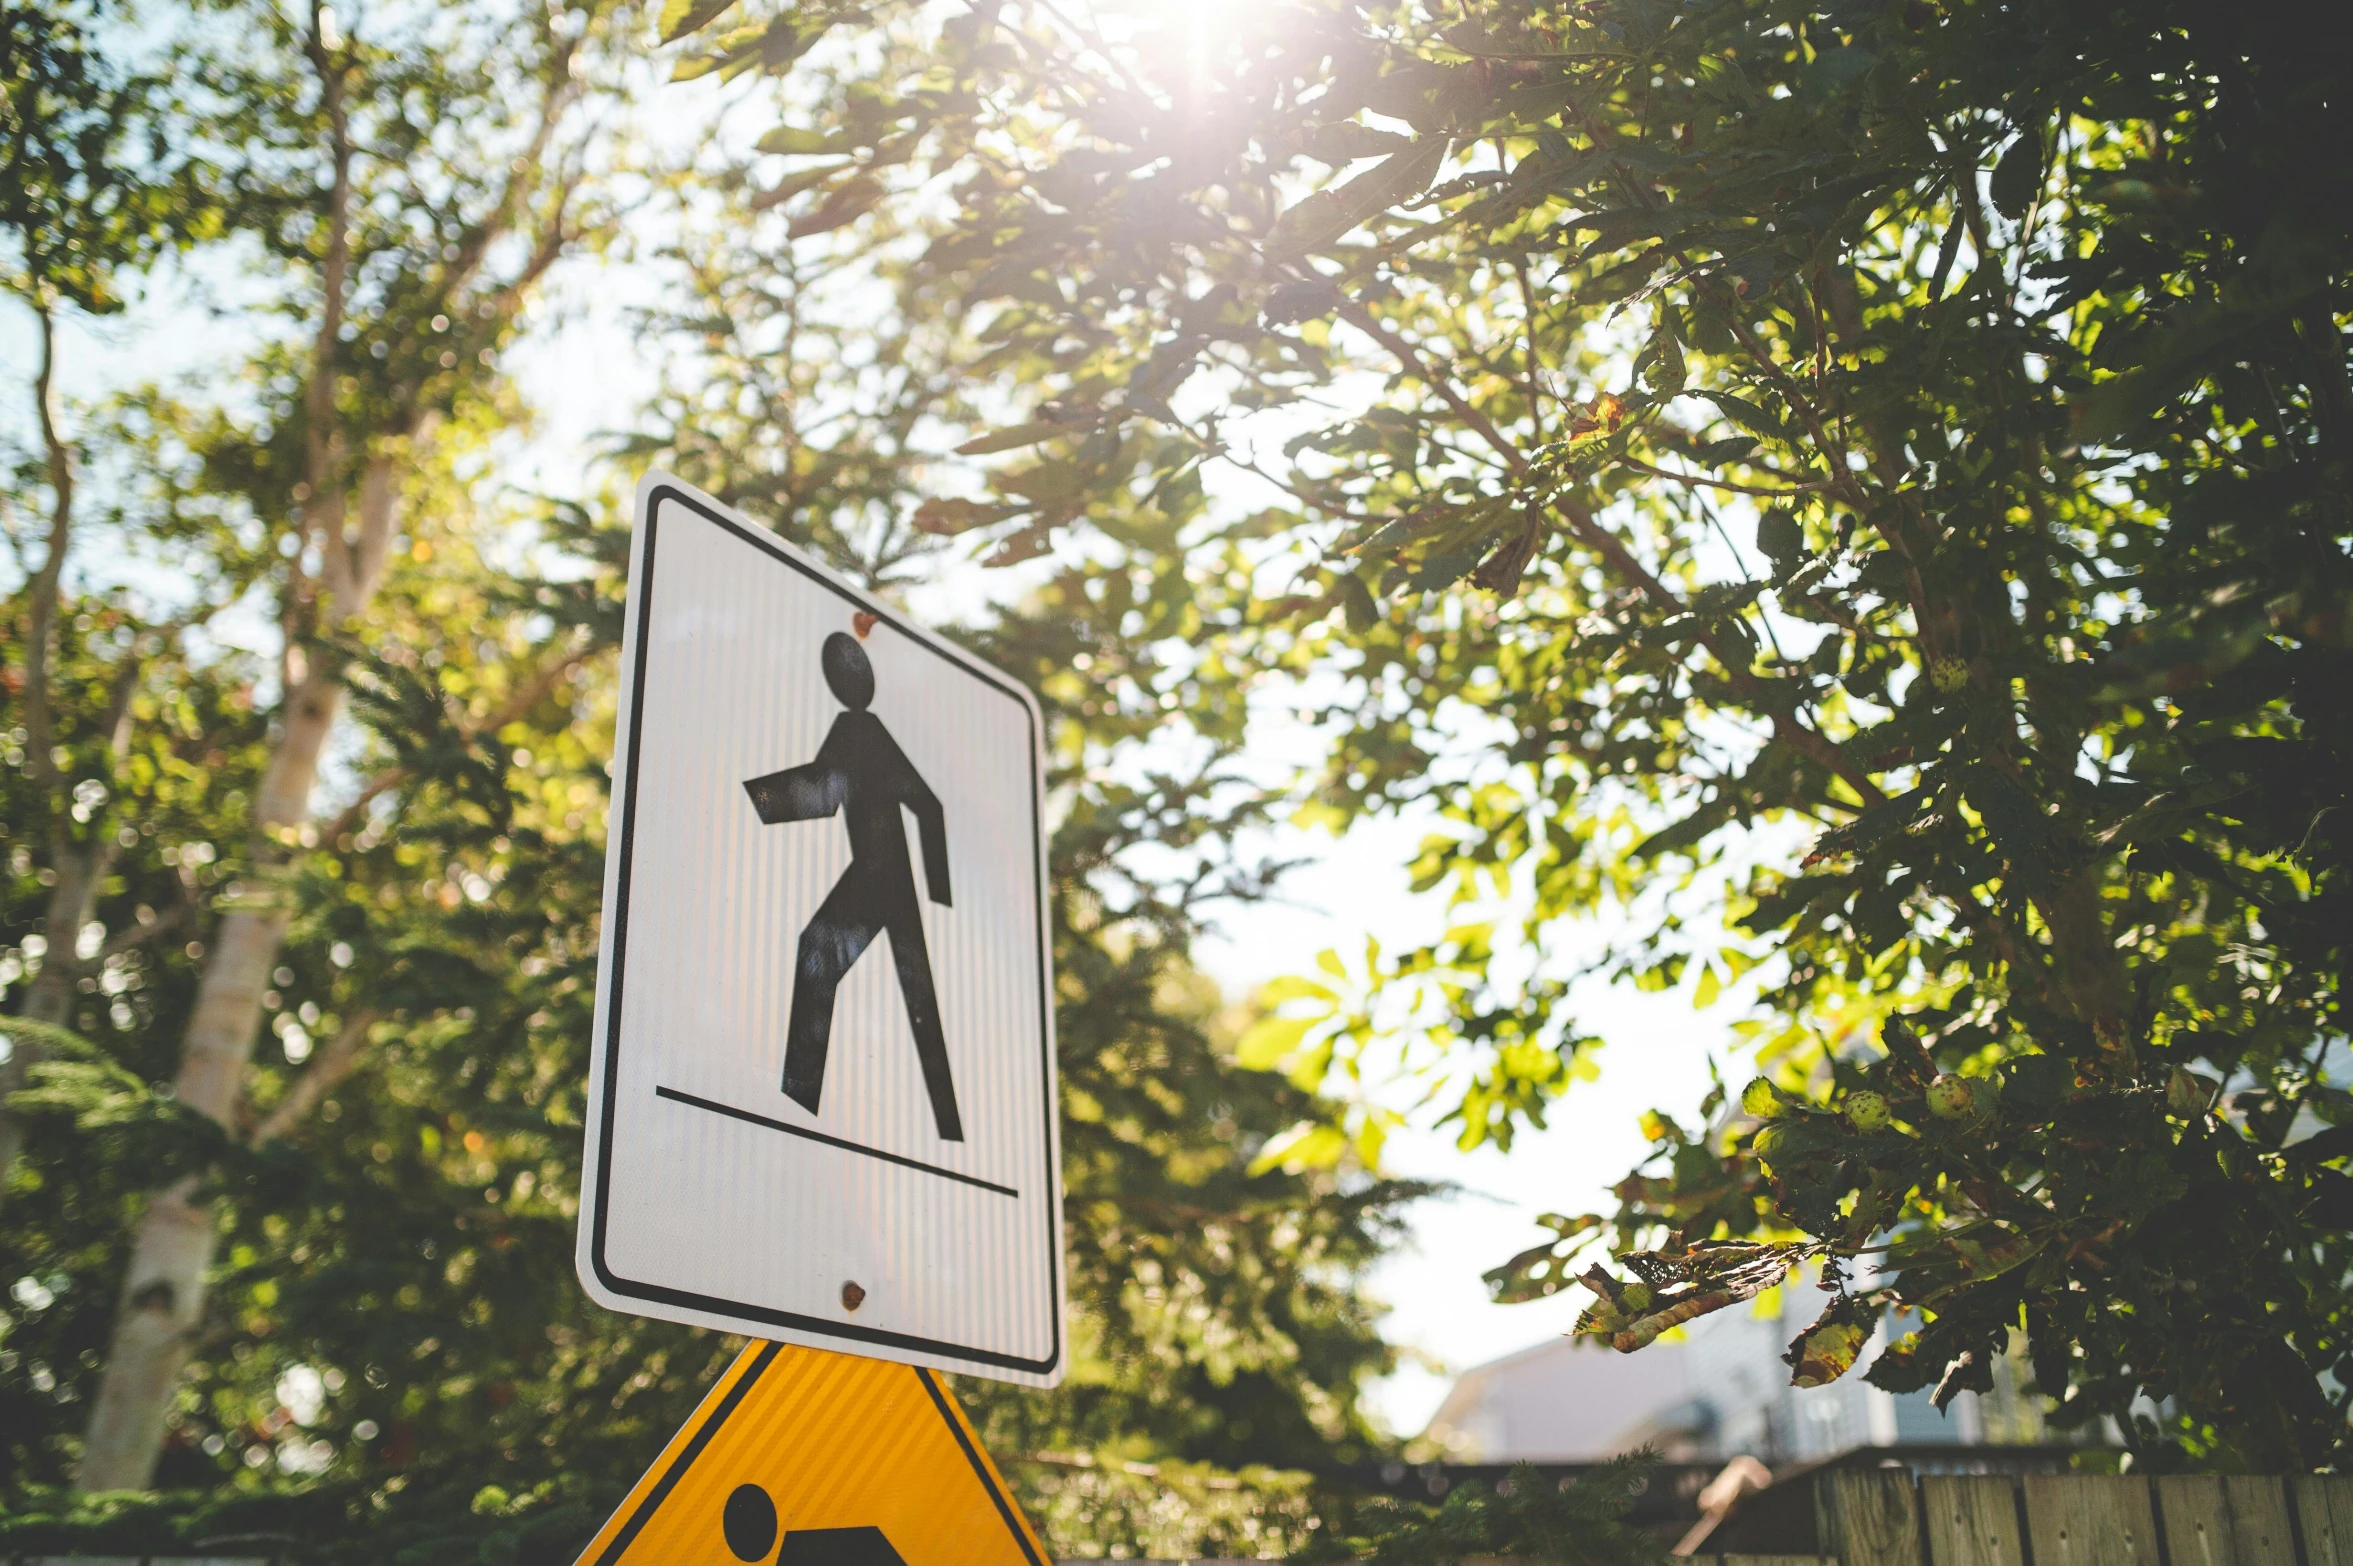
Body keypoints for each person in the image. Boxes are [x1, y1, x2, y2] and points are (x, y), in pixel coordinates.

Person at [743, 631, 962, 1141]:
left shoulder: (856, 732)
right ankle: (948, 1127)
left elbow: (826, 791)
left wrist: (761, 798)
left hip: (877, 875)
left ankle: (797, 1107)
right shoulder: (874, 732)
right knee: (920, 1000)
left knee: (819, 957)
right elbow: (926, 807)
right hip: (890, 877)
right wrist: (935, 892)